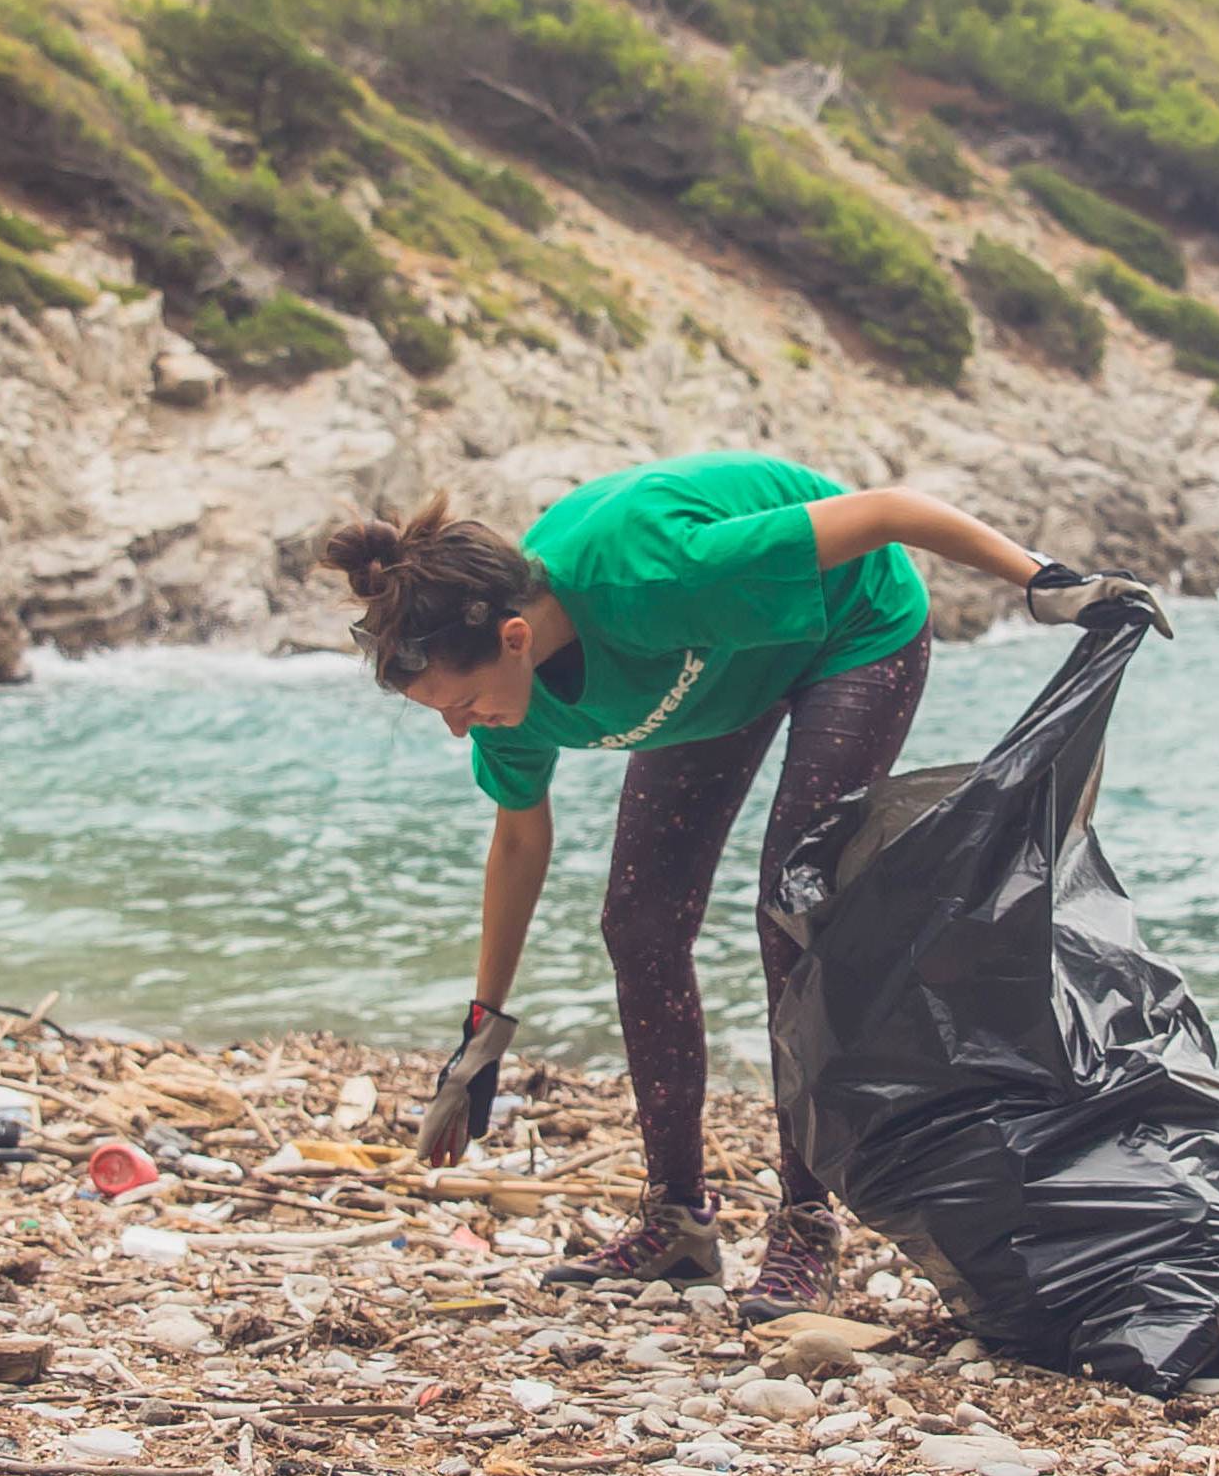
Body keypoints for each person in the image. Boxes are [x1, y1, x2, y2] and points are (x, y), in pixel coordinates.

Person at [325, 455, 1166, 1313]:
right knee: (638, 923)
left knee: (789, 913)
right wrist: (482, 1034)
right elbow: (516, 843)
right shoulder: (512, 694)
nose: (457, 729)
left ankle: (806, 1226)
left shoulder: (649, 571)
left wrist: (1049, 584)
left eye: (458, 705)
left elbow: (886, 512)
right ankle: (676, 1224)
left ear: (514, 638)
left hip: (851, 628)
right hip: (713, 671)